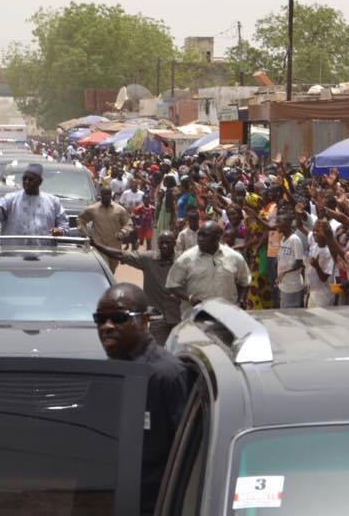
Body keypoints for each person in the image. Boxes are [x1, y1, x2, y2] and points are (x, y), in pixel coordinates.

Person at [94, 283, 188, 516]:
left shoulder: (167, 375)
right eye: (100, 319)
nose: (106, 326)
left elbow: (185, 456)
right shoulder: (106, 372)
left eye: (118, 318)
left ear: (145, 320)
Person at [91, 231, 184, 345]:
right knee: (156, 351)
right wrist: (97, 245)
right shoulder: (148, 259)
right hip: (158, 318)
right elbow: (121, 255)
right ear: (158, 244)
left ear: (174, 243)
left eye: (168, 243)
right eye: (162, 243)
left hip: (180, 316)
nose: (164, 246)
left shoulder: (183, 261)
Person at [166, 221, 251, 309]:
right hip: (196, 315)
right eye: (199, 235)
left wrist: (241, 300)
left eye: (205, 235)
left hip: (226, 314)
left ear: (218, 237)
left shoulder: (234, 257)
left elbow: (245, 282)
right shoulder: (186, 258)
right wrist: (190, 298)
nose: (200, 239)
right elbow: (172, 285)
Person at [0, 163, 69, 237]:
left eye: (30, 179)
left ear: (40, 181)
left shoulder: (53, 202)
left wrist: (59, 231)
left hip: (44, 254)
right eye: (24, 179)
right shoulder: (10, 199)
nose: (26, 182)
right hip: (14, 254)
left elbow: (64, 226)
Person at [78, 187, 133, 272]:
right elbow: (81, 219)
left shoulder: (119, 210)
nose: (107, 196)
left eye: (109, 194)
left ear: (111, 196)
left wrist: (122, 233)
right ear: (101, 195)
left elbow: (128, 224)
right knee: (103, 269)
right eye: (105, 194)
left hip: (114, 247)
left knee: (112, 270)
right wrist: (85, 233)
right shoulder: (93, 209)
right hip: (99, 245)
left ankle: (109, 285)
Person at [275, 214, 306, 308]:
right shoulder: (283, 239)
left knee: (291, 316)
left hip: (292, 285)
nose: (277, 224)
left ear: (288, 223)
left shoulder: (295, 240)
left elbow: (299, 262)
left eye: (279, 222)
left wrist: (284, 272)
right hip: (284, 284)